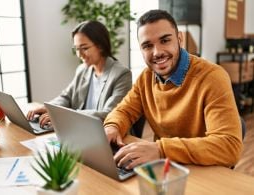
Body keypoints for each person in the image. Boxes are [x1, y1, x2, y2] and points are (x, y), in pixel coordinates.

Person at [104, 10, 243, 169]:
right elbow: (124, 111)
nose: (157, 52)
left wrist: (161, 149)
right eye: (147, 45)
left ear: (179, 39)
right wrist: (112, 126)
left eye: (165, 40)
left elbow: (229, 146)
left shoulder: (212, 77)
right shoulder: (146, 77)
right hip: (165, 169)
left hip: (204, 170)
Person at [27, 21, 132, 127]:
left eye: (84, 48)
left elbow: (109, 114)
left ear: (101, 46)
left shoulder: (121, 74)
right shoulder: (82, 70)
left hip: (106, 133)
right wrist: (49, 108)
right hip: (81, 129)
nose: (79, 54)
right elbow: (66, 97)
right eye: (77, 49)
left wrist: (66, 115)